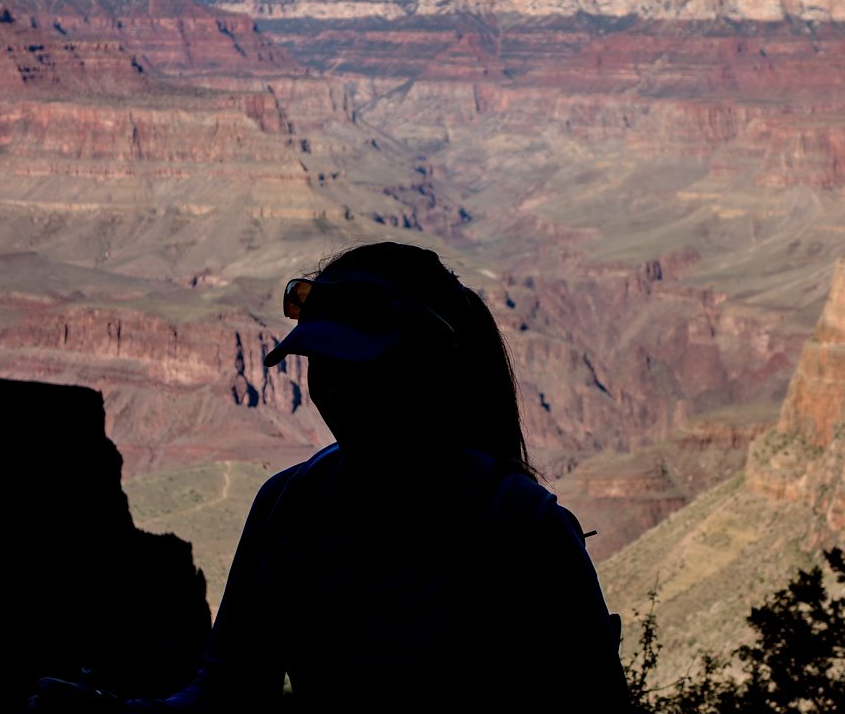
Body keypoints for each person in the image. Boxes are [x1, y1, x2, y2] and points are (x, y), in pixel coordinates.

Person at [34, 241, 628, 712]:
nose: (336, 392)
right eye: (322, 363)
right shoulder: (288, 506)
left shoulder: (524, 531)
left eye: (362, 369)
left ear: (426, 371)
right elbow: (226, 695)